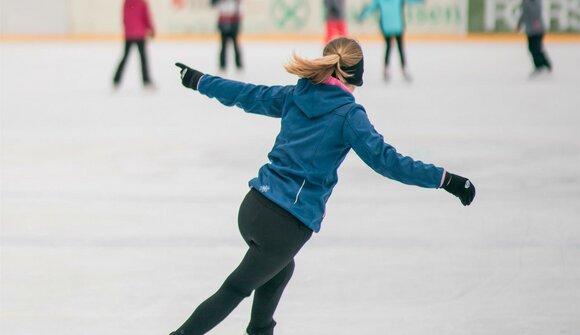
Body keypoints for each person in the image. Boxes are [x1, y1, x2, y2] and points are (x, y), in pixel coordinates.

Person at [171, 37, 476, 335]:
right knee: (237, 287)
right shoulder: (348, 115)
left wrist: (199, 80)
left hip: (253, 207)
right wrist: (445, 179)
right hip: (285, 224)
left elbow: (248, 94)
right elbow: (387, 161)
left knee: (279, 270)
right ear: (356, 74)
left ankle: (260, 330)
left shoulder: (297, 94)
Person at [359, 0, 423, 81]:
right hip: (398, 26)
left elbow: (370, 8)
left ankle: (386, 69)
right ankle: (403, 69)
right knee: (400, 48)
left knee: (389, 47)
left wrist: (361, 16)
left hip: (387, 27)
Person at [112, 0, 155, 89]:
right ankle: (146, 80)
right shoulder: (142, 3)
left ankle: (116, 79)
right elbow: (146, 17)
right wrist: (151, 29)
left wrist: (128, 30)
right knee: (143, 58)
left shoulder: (127, 2)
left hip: (129, 34)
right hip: (140, 34)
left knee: (125, 57)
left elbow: (124, 18)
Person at [516, 0, 552, 77]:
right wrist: (519, 24)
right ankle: (542, 65)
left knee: (536, 48)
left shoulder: (534, 1)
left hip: (537, 29)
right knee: (532, 48)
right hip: (530, 30)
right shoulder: (526, 2)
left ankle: (544, 65)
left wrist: (526, 3)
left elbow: (536, 12)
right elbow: (524, 14)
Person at [212, 0, 243, 72]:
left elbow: (240, 8)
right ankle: (222, 64)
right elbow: (212, 4)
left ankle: (238, 64)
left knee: (235, 45)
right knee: (224, 45)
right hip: (223, 22)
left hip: (233, 22)